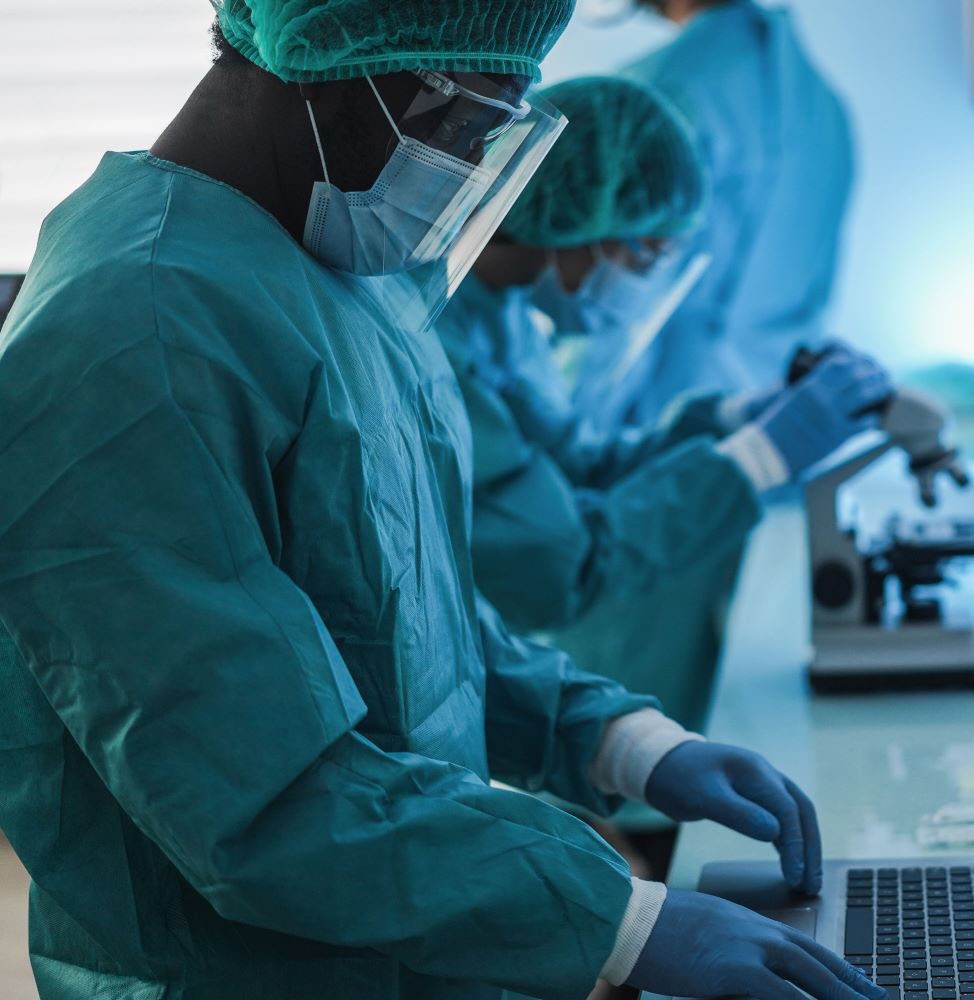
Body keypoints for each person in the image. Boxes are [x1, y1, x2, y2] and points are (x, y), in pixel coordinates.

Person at [0, 4, 885, 999]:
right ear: (343, 62)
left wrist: (616, 739)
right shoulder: (133, 333)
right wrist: (624, 920)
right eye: (468, 127)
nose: (470, 175)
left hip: (399, 944)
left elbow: (407, 613)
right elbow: (261, 801)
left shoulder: (355, 276)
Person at [439, 75, 890, 737]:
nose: (644, 282)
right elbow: (563, 565)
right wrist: (760, 458)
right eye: (646, 254)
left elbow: (575, 468)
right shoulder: (442, 341)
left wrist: (736, 419)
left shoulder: (503, 314)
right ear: (581, 219)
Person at [577, 0, 856, 429]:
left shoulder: (667, 87)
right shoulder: (824, 106)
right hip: (773, 414)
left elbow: (612, 296)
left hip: (661, 423)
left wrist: (575, 427)